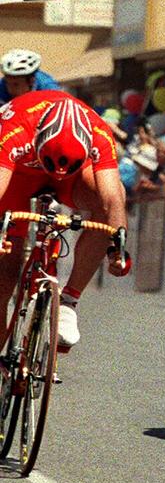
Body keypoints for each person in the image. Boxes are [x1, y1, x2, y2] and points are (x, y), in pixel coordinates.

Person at [0, 91, 129, 350]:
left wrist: (118, 248)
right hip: (19, 175)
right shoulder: (13, 129)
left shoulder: (99, 133)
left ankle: (69, 300)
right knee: (4, 278)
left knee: (110, 202)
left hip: (75, 178)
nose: (56, 175)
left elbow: (113, 198)